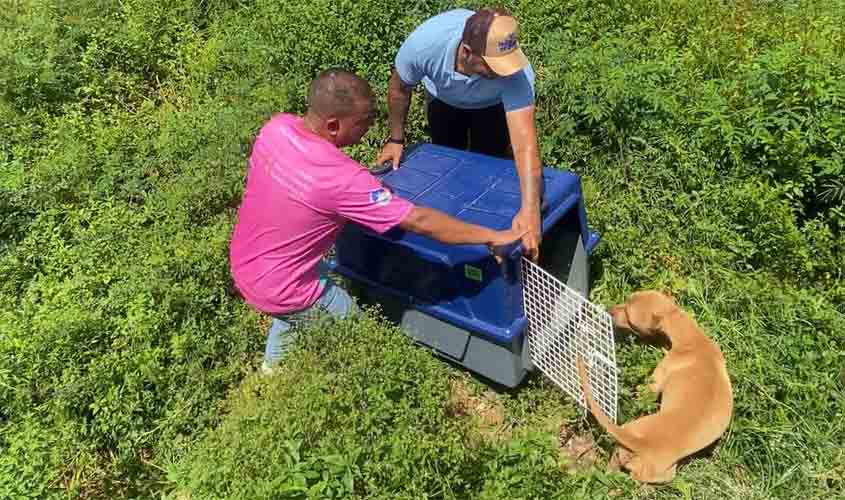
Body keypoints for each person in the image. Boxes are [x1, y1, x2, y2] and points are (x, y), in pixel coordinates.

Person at [229, 69, 525, 372]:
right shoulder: (343, 179)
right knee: (363, 343)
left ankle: (271, 373)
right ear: (333, 125)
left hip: (247, 264)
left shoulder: (276, 128)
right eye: (364, 120)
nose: (370, 126)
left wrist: (365, 191)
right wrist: (491, 235)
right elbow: (419, 220)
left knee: (289, 312)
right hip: (284, 286)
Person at [376, 7, 543, 261]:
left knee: (490, 166)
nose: (503, 72)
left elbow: (525, 144)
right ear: (467, 52)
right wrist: (396, 139)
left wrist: (531, 210)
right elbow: (399, 89)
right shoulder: (426, 45)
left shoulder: (514, 73)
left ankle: (484, 236)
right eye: (493, 66)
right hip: (444, 100)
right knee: (448, 164)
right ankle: (451, 241)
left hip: (492, 106)